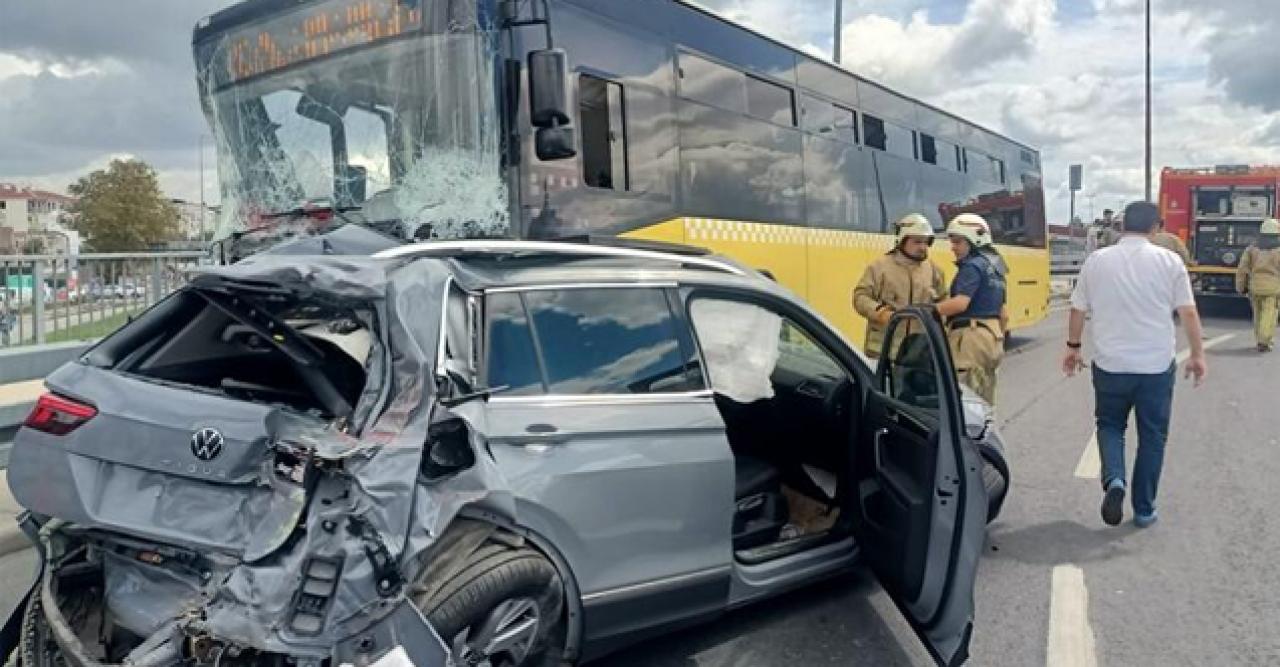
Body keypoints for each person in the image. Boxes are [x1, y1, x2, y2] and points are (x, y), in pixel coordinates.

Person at [1062, 201, 1207, 529]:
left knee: (1110, 425)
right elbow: (1188, 312)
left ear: (1122, 225)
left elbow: (1077, 310)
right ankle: (1144, 509)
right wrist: (1197, 355)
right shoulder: (1169, 261)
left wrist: (1072, 348)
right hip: (1155, 366)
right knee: (1153, 437)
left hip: (1110, 364)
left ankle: (1114, 480)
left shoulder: (1097, 260)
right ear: (1156, 228)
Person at [936, 214, 1008, 405]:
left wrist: (929, 310)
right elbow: (1004, 314)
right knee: (985, 402)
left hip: (970, 339)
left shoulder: (972, 266)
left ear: (974, 240)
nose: (953, 247)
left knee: (965, 401)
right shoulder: (996, 267)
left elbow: (960, 303)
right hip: (992, 338)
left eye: (957, 242)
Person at [852, 213, 946, 359]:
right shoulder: (879, 267)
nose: (923, 247)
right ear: (902, 240)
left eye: (926, 242)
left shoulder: (934, 270)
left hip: (917, 353)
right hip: (883, 352)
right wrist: (880, 313)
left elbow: (943, 302)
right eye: (917, 242)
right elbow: (860, 297)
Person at [1236, 217, 1280, 352]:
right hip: (1273, 287)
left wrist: (1240, 287)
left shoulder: (1251, 249)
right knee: (1270, 314)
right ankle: (1264, 340)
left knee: (1257, 314)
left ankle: (1260, 340)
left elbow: (1242, 269)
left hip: (1255, 286)